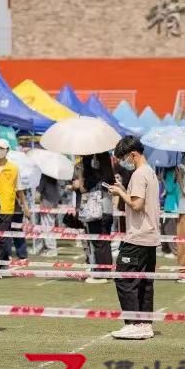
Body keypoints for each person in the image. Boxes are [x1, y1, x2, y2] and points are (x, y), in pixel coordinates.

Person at [107, 135, 160, 340]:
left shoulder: (139, 174)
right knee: (145, 283)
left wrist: (120, 193)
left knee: (124, 278)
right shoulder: (150, 172)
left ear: (133, 154)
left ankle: (133, 323)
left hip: (138, 236)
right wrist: (122, 190)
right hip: (150, 235)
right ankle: (145, 324)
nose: (123, 162)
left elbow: (137, 204)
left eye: (123, 158)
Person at [0, 139, 29, 267]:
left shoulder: (13, 168)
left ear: (7, 150)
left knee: (3, 238)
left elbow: (19, 189)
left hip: (7, 208)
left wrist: (25, 206)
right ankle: (1, 259)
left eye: (2, 149)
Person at [73, 153, 115, 283]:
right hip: (107, 208)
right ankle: (106, 272)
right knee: (105, 241)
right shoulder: (107, 170)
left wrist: (80, 172)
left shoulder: (91, 169)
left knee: (97, 242)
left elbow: (83, 188)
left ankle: (100, 274)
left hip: (95, 210)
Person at [32, 174, 62, 257]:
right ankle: (44, 247)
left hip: (47, 203)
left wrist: (34, 199)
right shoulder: (53, 175)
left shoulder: (44, 176)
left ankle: (51, 249)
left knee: (47, 227)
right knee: (48, 226)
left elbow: (37, 194)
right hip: (53, 202)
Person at [160, 167, 179, 260]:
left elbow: (170, 188)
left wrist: (162, 179)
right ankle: (167, 249)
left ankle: (175, 252)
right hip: (170, 204)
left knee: (170, 229)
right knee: (165, 228)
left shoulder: (171, 173)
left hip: (172, 206)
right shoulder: (172, 172)